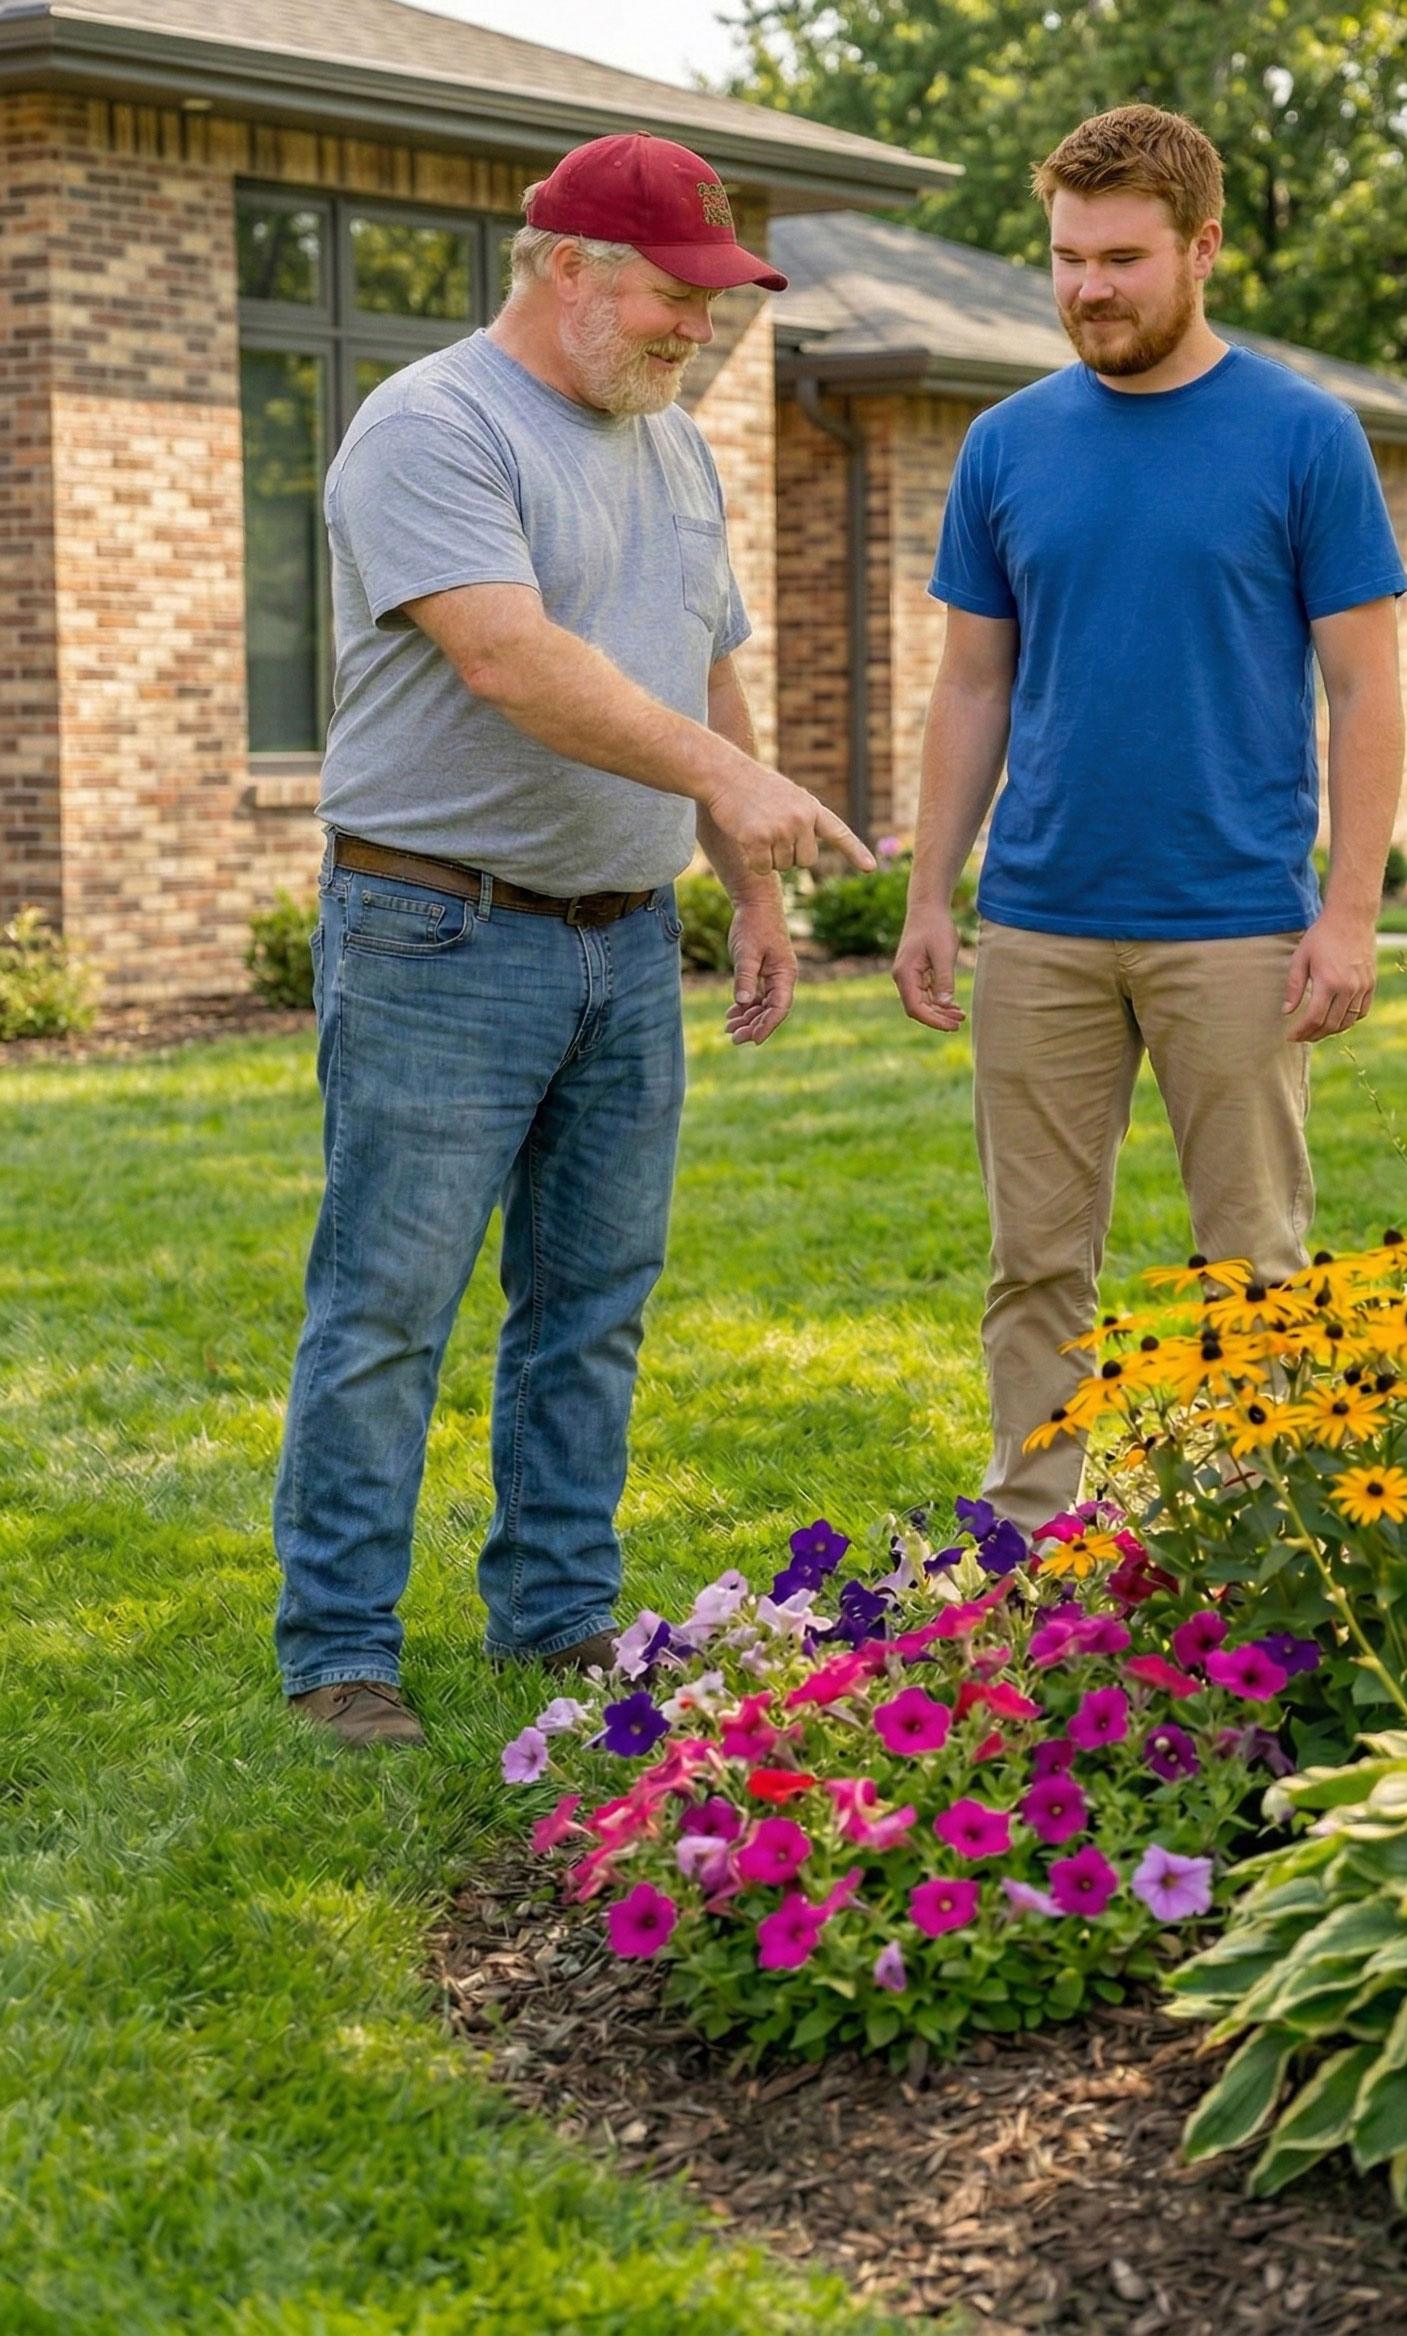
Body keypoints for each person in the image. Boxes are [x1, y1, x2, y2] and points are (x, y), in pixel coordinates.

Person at [276, 133, 871, 1745]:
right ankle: (340, 1650)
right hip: (436, 931)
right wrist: (734, 785)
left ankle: (555, 1621)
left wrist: (744, 879)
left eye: (714, 299)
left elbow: (703, 658)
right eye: (679, 296)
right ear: (571, 272)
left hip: (623, 941)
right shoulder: (434, 425)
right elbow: (509, 661)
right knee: (389, 1302)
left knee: (593, 1301)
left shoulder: (670, 441)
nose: (700, 329)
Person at [892, 105, 1407, 1532]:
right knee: (1033, 1264)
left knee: (1254, 1261)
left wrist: (1350, 910)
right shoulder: (1004, 446)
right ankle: (1028, 1546)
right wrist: (932, 894)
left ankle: (1266, 1538)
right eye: (1065, 259)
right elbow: (972, 687)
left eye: (1121, 258)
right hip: (1043, 922)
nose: (1088, 290)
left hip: (1238, 923)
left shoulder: (1305, 435)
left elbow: (1369, 691)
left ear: (1203, 250)